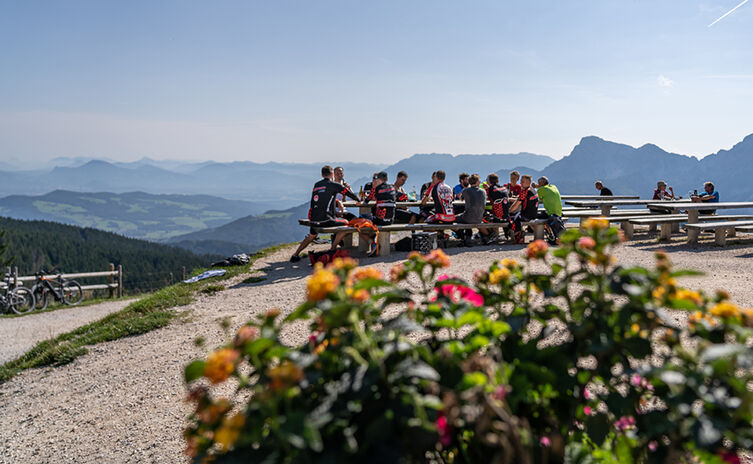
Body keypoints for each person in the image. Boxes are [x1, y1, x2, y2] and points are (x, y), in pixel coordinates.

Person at [290, 165, 360, 262]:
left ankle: (295, 255)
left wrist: (336, 201)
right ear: (332, 174)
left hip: (314, 219)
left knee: (312, 235)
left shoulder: (317, 184)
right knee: (347, 223)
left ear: (322, 174)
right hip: (326, 219)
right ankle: (332, 250)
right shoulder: (335, 185)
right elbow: (349, 193)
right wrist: (358, 199)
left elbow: (323, 198)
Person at [455, 174, 486, 246]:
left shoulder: (466, 190)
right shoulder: (483, 191)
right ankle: (468, 237)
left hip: (467, 217)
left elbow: (461, 198)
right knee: (468, 215)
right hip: (479, 218)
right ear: (477, 182)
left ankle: (464, 236)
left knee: (453, 218)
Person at [508, 174, 539, 244]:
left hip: (526, 216)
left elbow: (516, 205)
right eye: (521, 181)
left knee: (512, 218)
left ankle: (519, 237)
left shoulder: (525, 191)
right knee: (515, 215)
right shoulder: (532, 190)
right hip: (534, 214)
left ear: (528, 182)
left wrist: (508, 211)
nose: (520, 183)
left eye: (522, 182)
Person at [534, 176, 565, 242]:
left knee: (533, 216)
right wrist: (539, 187)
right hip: (558, 212)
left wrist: (535, 187)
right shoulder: (553, 186)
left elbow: (539, 198)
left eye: (539, 183)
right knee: (540, 215)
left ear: (541, 183)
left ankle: (549, 235)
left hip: (551, 213)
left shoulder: (541, 189)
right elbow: (546, 190)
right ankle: (550, 234)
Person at [481, 173, 510, 244]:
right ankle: (504, 234)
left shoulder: (491, 189)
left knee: (483, 218)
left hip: (497, 218)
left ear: (489, 181)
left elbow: (489, 199)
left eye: (487, 180)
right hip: (506, 216)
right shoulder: (504, 188)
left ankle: (491, 236)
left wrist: (487, 189)